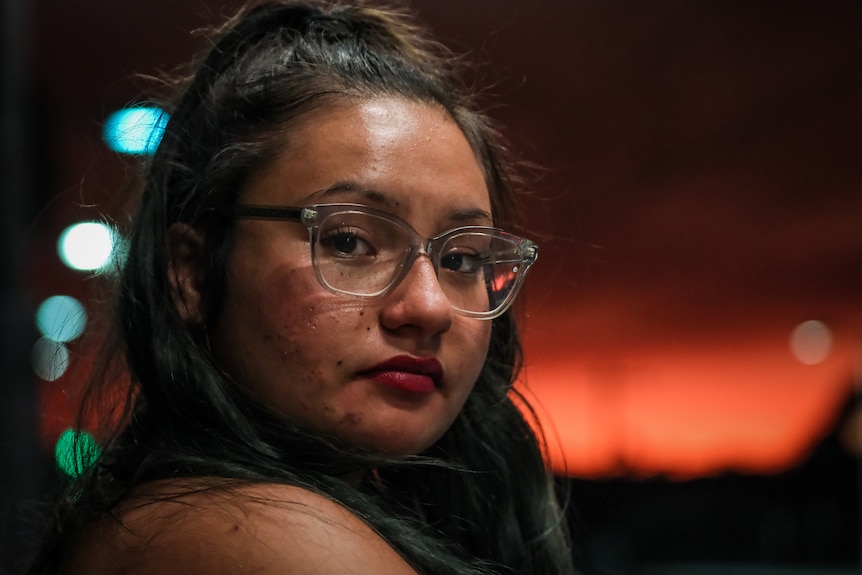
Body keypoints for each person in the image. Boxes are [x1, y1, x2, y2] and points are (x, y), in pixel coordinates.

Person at [30, 1, 576, 573]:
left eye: (462, 258)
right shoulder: (242, 537)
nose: (428, 306)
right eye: (347, 242)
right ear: (191, 272)